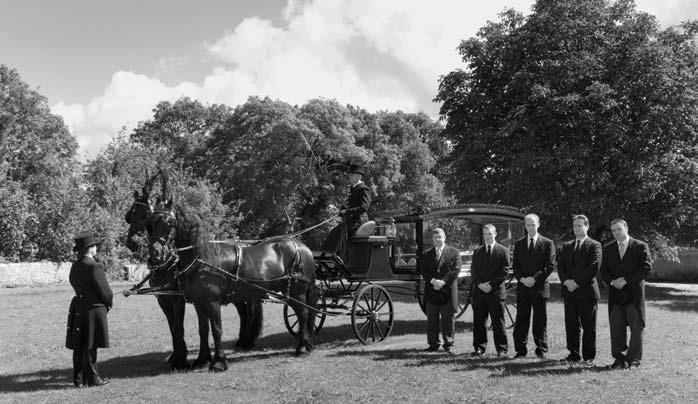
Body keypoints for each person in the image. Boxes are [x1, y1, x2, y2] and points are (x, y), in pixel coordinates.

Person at [600, 219, 652, 369]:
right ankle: (619, 359)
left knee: (637, 328)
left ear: (626, 228)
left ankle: (634, 360)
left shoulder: (640, 246)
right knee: (616, 328)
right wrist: (612, 282)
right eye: (613, 230)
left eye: (619, 229)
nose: (616, 232)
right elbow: (604, 271)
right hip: (616, 295)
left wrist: (626, 280)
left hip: (634, 295)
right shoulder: (608, 248)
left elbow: (646, 268)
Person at [67, 232, 113, 387]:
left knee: (79, 345)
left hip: (79, 306)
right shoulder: (95, 266)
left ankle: (78, 379)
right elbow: (106, 293)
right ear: (90, 248)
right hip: (93, 310)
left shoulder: (75, 266)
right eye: (94, 246)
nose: (96, 248)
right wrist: (108, 303)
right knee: (90, 345)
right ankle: (92, 379)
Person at [557, 215, 602, 366]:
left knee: (589, 326)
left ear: (587, 226)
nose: (577, 228)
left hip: (587, 292)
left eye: (580, 225)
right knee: (571, 325)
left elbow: (593, 267)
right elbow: (560, 266)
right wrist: (566, 281)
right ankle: (573, 354)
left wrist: (576, 283)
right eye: (575, 225)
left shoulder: (594, 245)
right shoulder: (567, 246)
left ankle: (588, 357)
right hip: (569, 292)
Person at [512, 213, 556, 359]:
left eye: (533, 224)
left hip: (540, 288)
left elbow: (549, 266)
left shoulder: (548, 243)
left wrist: (534, 279)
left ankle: (541, 349)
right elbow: (515, 266)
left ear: (538, 224)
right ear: (524, 226)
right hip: (523, 287)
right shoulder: (519, 243)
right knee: (521, 319)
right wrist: (522, 279)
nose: (530, 227)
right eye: (528, 225)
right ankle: (520, 350)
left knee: (540, 321)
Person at [420, 228, 462, 354]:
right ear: (432, 239)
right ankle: (433, 344)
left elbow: (456, 270)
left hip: (448, 291)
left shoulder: (454, 252)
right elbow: (424, 271)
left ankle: (448, 344)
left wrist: (442, 282)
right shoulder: (426, 254)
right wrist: (433, 281)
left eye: (439, 237)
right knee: (432, 319)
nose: (437, 240)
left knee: (448, 319)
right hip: (432, 290)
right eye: (435, 238)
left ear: (444, 238)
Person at [470, 224, 510, 357]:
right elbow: (473, 270)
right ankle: (479, 348)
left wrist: (491, 285)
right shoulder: (477, 251)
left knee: (498, 322)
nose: (487, 237)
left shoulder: (503, 251)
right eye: (485, 234)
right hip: (480, 292)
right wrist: (480, 284)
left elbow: (504, 271)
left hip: (496, 292)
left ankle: (502, 349)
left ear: (495, 234)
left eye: (490, 234)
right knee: (479, 322)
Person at [321, 165, 372, 260]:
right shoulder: (352, 188)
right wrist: (340, 213)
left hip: (359, 220)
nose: (350, 177)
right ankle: (328, 256)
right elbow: (348, 204)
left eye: (353, 175)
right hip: (351, 220)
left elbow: (364, 207)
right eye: (350, 175)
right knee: (335, 232)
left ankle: (337, 257)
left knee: (339, 232)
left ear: (359, 176)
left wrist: (347, 211)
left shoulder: (363, 188)